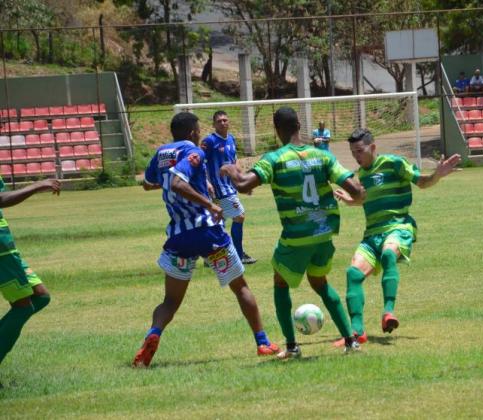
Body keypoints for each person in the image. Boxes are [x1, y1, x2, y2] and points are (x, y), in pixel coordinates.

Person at [133, 112, 278, 368]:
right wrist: (209, 204)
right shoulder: (194, 152)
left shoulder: (161, 153)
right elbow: (179, 183)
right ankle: (263, 342)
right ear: (192, 132)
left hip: (179, 237)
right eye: (198, 130)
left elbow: (148, 183)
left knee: (170, 302)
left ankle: (153, 334)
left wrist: (188, 184)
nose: (200, 134)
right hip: (208, 231)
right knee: (240, 287)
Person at [220, 107, 366, 359]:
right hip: (323, 234)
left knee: (280, 283)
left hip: (297, 236)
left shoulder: (274, 159)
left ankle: (291, 346)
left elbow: (244, 184)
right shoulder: (322, 155)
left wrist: (231, 169)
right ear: (299, 124)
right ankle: (351, 342)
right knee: (320, 283)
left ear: (277, 130)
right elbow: (355, 190)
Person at [332, 128, 461, 346]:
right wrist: (350, 200)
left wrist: (436, 174)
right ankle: (356, 332)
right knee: (353, 274)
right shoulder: (361, 175)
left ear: (373, 147)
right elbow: (366, 199)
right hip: (372, 234)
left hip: (398, 227)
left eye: (360, 151)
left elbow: (422, 182)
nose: (356, 156)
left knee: (388, 254)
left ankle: (388, 312)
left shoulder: (394, 163)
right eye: (353, 152)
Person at [0, 178, 61, 375]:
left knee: (41, 296)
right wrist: (36, 186)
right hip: (1, 252)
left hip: (6, 247)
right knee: (23, 305)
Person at [201, 110, 256, 265]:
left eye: (225, 120)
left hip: (228, 187)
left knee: (219, 221)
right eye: (219, 121)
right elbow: (199, 162)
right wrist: (207, 182)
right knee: (239, 216)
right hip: (218, 188)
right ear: (214, 124)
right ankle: (238, 254)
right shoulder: (209, 141)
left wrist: (243, 180)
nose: (223, 123)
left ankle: (210, 255)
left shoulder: (231, 139)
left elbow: (234, 163)